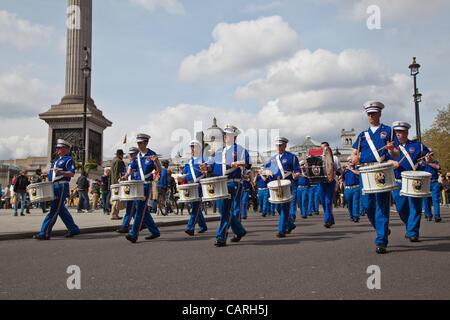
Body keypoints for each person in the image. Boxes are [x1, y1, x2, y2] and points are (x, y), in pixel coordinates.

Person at [351, 101, 399, 254]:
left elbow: (397, 153)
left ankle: (381, 240)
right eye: (369, 114)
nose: (371, 116)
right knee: (367, 205)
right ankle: (381, 228)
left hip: (381, 169)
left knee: (382, 204)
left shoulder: (388, 131)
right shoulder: (362, 135)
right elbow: (354, 153)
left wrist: (392, 151)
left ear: (379, 114)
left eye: (374, 113)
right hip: (365, 171)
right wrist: (354, 158)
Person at [200, 125, 250, 247]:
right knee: (224, 210)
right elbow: (211, 165)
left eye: (228, 135)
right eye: (225, 135)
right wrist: (206, 167)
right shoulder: (218, 152)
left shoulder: (240, 150)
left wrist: (238, 163)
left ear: (235, 137)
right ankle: (239, 230)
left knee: (226, 209)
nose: (226, 137)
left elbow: (247, 163)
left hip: (233, 181)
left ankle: (221, 236)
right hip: (219, 182)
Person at [388, 121, 431, 242]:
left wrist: (428, 159)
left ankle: (413, 232)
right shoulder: (391, 147)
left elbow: (429, 155)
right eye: (396, 132)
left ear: (406, 132)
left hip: (414, 179)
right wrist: (392, 163)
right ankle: (409, 225)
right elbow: (384, 161)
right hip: (398, 180)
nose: (398, 134)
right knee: (401, 207)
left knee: (415, 206)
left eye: (400, 132)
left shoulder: (418, 145)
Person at [33, 139, 80, 240]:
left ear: (66, 149)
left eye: (60, 148)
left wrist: (61, 173)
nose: (57, 149)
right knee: (61, 209)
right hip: (54, 185)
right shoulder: (56, 161)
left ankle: (45, 232)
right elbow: (53, 174)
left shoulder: (68, 159)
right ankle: (73, 228)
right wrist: (46, 175)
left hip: (61, 186)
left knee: (54, 209)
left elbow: (71, 173)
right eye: (57, 148)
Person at [123, 133, 162, 243]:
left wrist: (156, 162)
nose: (139, 145)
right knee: (142, 209)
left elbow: (160, 170)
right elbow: (131, 167)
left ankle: (133, 234)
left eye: (141, 143)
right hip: (137, 184)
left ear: (146, 143)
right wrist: (127, 174)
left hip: (146, 184)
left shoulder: (151, 154)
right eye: (138, 143)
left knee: (140, 209)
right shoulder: (137, 157)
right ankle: (154, 231)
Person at [262, 137, 300, 238]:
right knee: (277, 206)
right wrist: (267, 171)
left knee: (285, 207)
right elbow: (264, 170)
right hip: (275, 184)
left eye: (280, 145)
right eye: (277, 145)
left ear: (285, 146)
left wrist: (296, 175)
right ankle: (290, 224)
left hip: (287, 184)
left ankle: (282, 230)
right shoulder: (272, 159)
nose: (278, 147)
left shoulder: (292, 157)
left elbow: (297, 171)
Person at [178, 140, 208, 236]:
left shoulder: (203, 160)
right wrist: (179, 177)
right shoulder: (189, 162)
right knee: (196, 206)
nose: (192, 149)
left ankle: (190, 227)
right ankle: (203, 226)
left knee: (195, 207)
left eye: (194, 147)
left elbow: (207, 170)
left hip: (199, 185)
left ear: (199, 149)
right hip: (190, 186)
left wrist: (205, 170)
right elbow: (184, 174)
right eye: (191, 147)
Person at [318, 142, 341, 228]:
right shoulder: (318, 157)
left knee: (328, 201)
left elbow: (338, 170)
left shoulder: (334, 158)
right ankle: (331, 218)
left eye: (324, 148)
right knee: (323, 202)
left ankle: (327, 221)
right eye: (321, 148)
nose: (323, 149)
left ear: (328, 148)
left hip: (330, 181)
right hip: (321, 182)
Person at [116, 147, 139, 234]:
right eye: (130, 154)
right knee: (131, 209)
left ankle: (127, 226)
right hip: (129, 188)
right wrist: (122, 179)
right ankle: (126, 226)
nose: (131, 156)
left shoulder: (139, 165)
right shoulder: (129, 165)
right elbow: (126, 175)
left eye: (133, 154)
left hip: (136, 188)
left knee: (134, 209)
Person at [420, 151, 442, 222]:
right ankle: (428, 215)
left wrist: (429, 163)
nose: (430, 156)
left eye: (431, 155)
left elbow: (438, 167)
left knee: (435, 199)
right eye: (429, 155)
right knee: (426, 200)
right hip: (425, 183)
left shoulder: (435, 162)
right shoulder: (422, 163)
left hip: (434, 182)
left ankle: (437, 216)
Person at [343, 157, 360, 222]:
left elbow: (358, 173)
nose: (351, 162)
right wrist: (343, 170)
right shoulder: (346, 171)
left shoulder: (357, 169)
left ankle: (356, 216)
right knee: (349, 203)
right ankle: (351, 215)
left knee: (355, 202)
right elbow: (342, 178)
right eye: (349, 161)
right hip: (348, 189)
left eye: (352, 161)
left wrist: (351, 169)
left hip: (356, 187)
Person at [110, 149, 126, 220]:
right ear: (120, 155)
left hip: (113, 182)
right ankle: (114, 214)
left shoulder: (113, 161)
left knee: (116, 198)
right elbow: (118, 173)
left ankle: (115, 214)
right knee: (116, 199)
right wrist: (119, 181)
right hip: (117, 182)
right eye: (122, 155)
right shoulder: (118, 161)